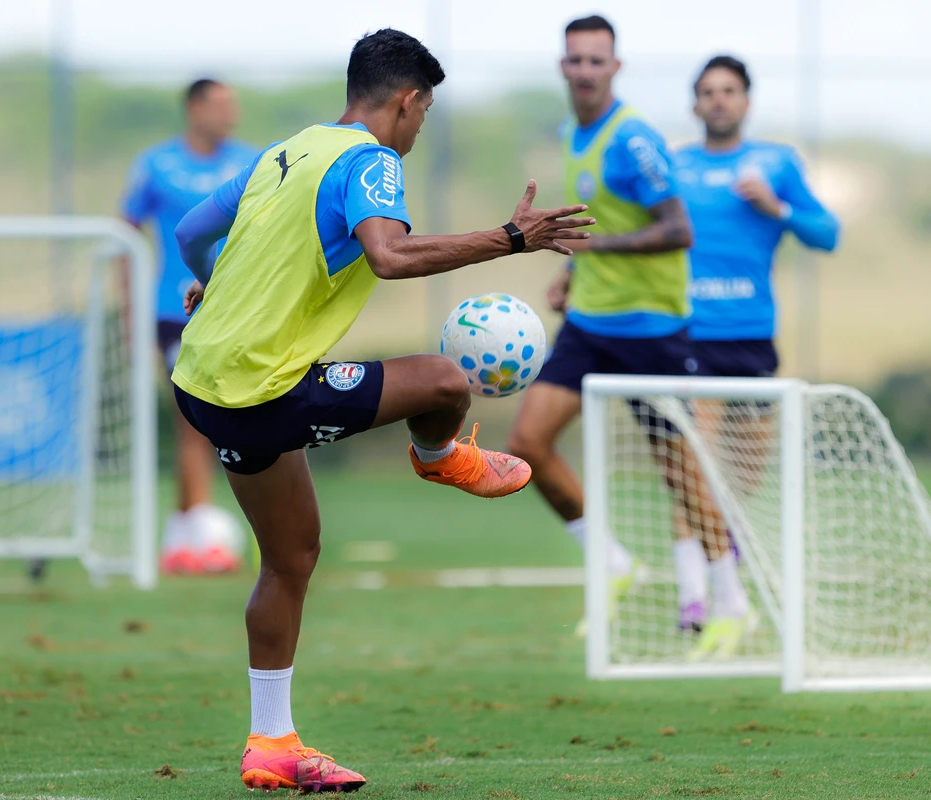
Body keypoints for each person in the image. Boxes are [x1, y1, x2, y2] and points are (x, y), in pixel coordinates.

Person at [171, 28, 595, 793]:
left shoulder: (287, 149)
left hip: (202, 383)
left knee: (291, 556)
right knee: (442, 381)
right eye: (423, 113)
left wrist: (212, 285)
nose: (420, 127)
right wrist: (509, 238)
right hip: (263, 390)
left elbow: (192, 233)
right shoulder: (372, 161)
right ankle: (439, 456)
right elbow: (390, 257)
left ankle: (271, 743)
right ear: (409, 101)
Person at [506, 14, 751, 656]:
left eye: (597, 60)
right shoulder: (572, 132)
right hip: (589, 323)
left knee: (679, 473)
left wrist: (594, 248)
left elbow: (678, 230)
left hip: (653, 331)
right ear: (562, 67)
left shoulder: (633, 138)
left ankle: (731, 600)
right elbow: (597, 224)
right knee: (528, 444)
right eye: (575, 60)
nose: (585, 70)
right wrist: (571, 268)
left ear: (615, 67)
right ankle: (612, 562)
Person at [670, 55, 840, 642]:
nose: (718, 100)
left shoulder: (777, 164)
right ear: (695, 104)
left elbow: (828, 234)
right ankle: (694, 601)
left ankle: (723, 550)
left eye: (729, 90)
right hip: (691, 337)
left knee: (744, 474)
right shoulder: (674, 166)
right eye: (708, 91)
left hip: (752, 339)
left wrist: (778, 209)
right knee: (693, 468)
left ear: (746, 101)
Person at [120, 79, 258, 574]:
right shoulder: (155, 166)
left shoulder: (254, 160)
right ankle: (197, 527)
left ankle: (183, 529)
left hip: (236, 308)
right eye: (223, 105)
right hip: (175, 311)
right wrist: (128, 309)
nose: (231, 114)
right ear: (195, 109)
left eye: (234, 104)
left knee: (216, 417)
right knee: (195, 416)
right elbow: (126, 234)